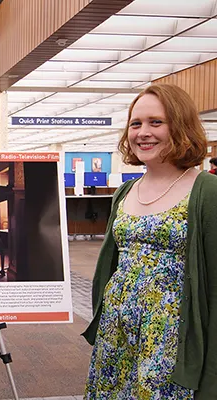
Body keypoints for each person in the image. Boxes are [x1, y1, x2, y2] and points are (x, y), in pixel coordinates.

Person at [82, 83, 217, 399]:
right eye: (135, 123)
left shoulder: (207, 191)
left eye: (156, 122)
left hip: (169, 340)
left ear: (180, 126)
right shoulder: (125, 192)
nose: (143, 132)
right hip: (116, 336)